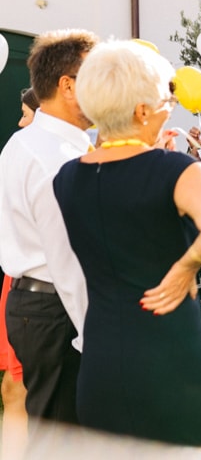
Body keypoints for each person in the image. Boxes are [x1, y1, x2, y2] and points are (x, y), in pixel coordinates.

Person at [51, 40, 201, 451]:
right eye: (164, 99)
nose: (170, 105)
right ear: (140, 111)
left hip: (101, 355)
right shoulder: (174, 169)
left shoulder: (66, 177)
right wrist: (187, 266)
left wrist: (152, 155)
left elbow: (122, 204)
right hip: (170, 351)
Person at [0, 29, 98, 427]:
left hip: (35, 306)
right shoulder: (56, 158)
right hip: (57, 309)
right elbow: (69, 259)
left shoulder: (26, 143)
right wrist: (95, 336)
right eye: (98, 79)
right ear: (68, 86)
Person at [0, 88, 39, 459]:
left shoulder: (30, 149)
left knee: (22, 389)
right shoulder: (18, 147)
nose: (19, 122)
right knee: (13, 389)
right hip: (15, 282)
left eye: (25, 113)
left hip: (37, 287)